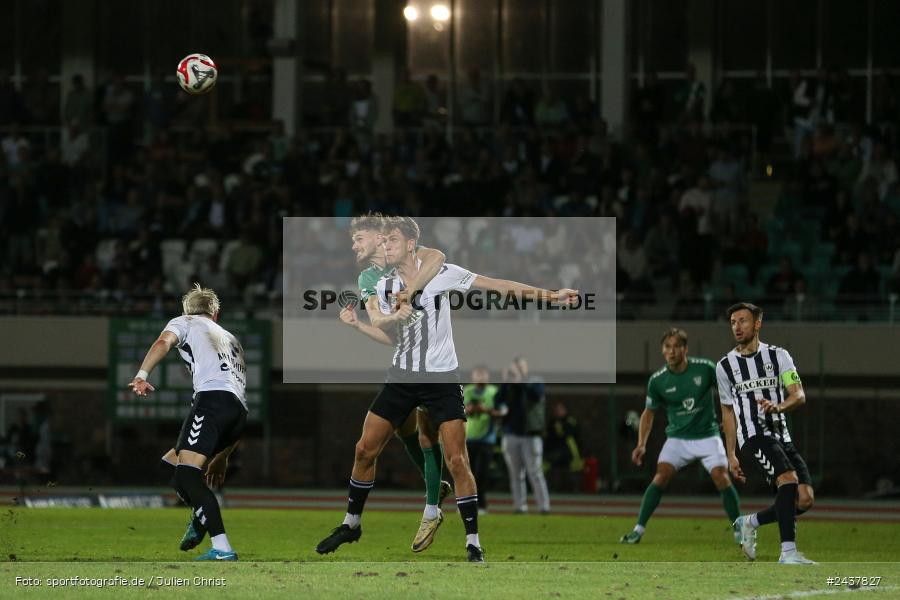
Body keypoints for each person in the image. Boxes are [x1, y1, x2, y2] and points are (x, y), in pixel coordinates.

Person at [316, 216, 577, 562]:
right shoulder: (382, 282)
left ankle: (472, 542)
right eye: (384, 242)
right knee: (365, 448)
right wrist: (373, 322)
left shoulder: (442, 270)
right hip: (403, 377)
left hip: (442, 380)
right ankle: (352, 523)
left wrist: (551, 296)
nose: (385, 247)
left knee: (457, 459)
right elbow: (383, 326)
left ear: (410, 244)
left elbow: (496, 285)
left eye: (392, 241)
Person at [346, 213, 452, 552]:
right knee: (405, 432)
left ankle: (435, 508)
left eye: (359, 239)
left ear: (378, 239)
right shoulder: (367, 277)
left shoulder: (409, 254)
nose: (354, 246)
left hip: (435, 359)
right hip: (405, 364)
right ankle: (436, 488)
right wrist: (367, 324)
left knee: (424, 432)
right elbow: (384, 328)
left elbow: (437, 256)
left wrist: (412, 293)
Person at [130, 284, 247, 561]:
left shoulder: (185, 322)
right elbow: (238, 395)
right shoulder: (231, 339)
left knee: (186, 476)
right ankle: (199, 514)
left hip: (211, 402)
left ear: (187, 311)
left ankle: (222, 548)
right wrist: (224, 456)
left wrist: (142, 374)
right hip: (237, 412)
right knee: (170, 466)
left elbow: (163, 343)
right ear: (215, 315)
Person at [621, 328, 741, 544]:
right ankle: (638, 530)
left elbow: (729, 392)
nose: (671, 351)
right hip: (678, 438)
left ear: (685, 349)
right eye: (667, 347)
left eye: (676, 346)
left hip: (707, 435)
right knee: (661, 475)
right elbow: (649, 414)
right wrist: (641, 444)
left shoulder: (705, 369)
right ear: (662, 350)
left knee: (721, 476)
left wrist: (731, 416)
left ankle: (739, 529)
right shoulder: (658, 381)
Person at [718, 302, 816, 564]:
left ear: (758, 324)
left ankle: (750, 522)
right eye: (733, 322)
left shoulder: (778, 356)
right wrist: (730, 455)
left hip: (781, 436)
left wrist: (780, 406)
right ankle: (789, 552)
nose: (737, 327)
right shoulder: (725, 366)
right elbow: (727, 412)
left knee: (804, 499)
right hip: (752, 436)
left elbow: (799, 395)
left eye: (743, 321)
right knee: (787, 479)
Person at [497, 356, 551, 515]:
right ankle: (520, 506)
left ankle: (544, 506)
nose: (518, 370)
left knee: (534, 472)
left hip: (530, 435)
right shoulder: (510, 385)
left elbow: (537, 395)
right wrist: (506, 382)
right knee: (515, 474)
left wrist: (520, 381)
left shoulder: (535, 381)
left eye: (521, 366)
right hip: (511, 434)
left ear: (527, 367)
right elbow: (497, 400)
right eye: (516, 367)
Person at [463, 366, 501, 514]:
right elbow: (459, 410)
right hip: (468, 437)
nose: (480, 376)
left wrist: (487, 410)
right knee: (466, 473)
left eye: (483, 374)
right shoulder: (467, 390)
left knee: (482, 474)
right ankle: (466, 506)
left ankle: (482, 505)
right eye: (477, 374)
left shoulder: (494, 392)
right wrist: (469, 410)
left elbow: (502, 411)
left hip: (487, 438)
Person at [544, 402, 583, 493]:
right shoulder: (552, 422)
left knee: (574, 468)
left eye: (560, 410)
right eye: (556, 411)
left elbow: (568, 434)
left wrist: (560, 429)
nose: (557, 412)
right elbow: (549, 436)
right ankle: (550, 488)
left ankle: (575, 489)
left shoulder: (570, 421)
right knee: (546, 464)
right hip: (555, 451)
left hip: (570, 452)